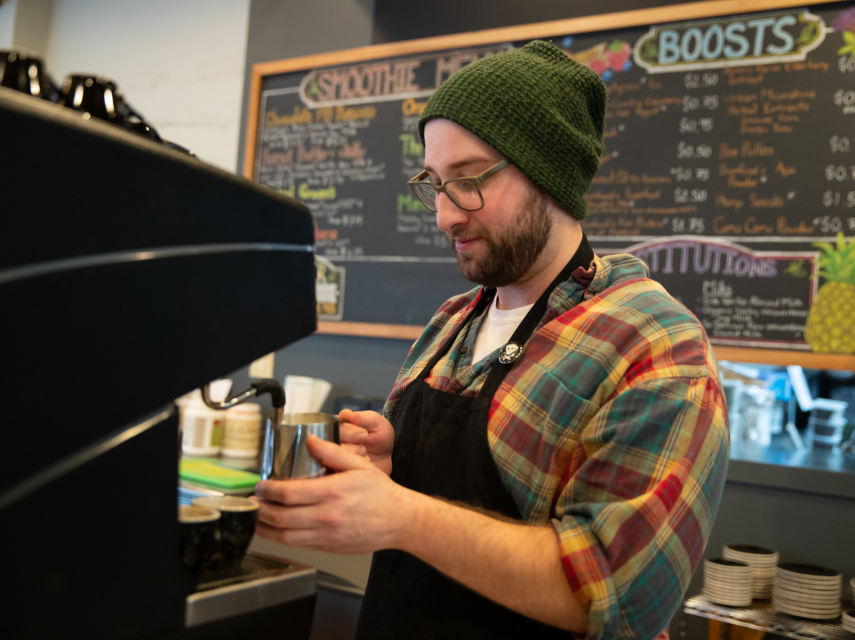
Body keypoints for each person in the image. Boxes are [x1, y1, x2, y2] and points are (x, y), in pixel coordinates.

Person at [254, 40, 730, 639]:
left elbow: (623, 595)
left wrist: (403, 515)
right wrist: (392, 468)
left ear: (549, 173)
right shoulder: (453, 320)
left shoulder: (654, 346)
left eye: (469, 179)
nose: (445, 216)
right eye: (434, 184)